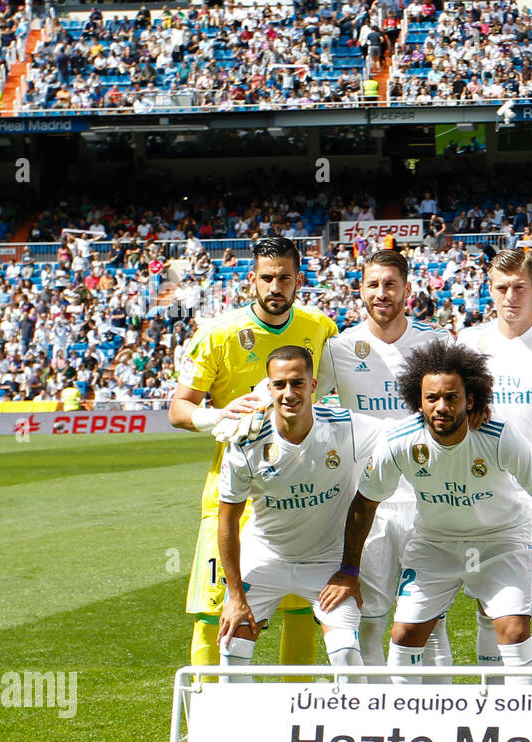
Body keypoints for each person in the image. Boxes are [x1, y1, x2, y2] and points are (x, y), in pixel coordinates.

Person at [329, 340, 532, 685]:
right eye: (432, 398)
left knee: (513, 632)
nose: (441, 407)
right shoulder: (400, 441)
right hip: (435, 544)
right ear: (418, 401)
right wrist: (348, 570)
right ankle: (404, 727)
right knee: (405, 635)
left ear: (470, 400)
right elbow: (365, 503)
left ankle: (527, 726)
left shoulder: (498, 437)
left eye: (451, 397)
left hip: (501, 542)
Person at [170, 236, 338, 677]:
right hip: (232, 493)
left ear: (299, 280)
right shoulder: (218, 333)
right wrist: (217, 416)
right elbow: (179, 408)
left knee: (301, 609)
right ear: (251, 281)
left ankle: (292, 715)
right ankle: (208, 719)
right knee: (215, 611)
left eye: (285, 277)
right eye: (267, 277)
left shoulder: (319, 327)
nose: (275, 286)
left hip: (301, 490)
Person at [315, 249, 453, 680]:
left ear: (407, 290)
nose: (381, 293)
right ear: (360, 289)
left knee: (431, 621)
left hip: (428, 500)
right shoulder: (338, 348)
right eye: (373, 284)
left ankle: (441, 712)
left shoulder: (437, 344)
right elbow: (304, 401)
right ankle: (379, 713)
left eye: (390, 284)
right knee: (372, 616)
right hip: (369, 502)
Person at [217, 346, 378, 682]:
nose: (289, 393)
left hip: (326, 563)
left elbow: (404, 434)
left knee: (347, 654)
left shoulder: (346, 428)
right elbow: (228, 522)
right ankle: (237, 730)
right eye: (280, 385)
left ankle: (358, 731)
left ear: (313, 385)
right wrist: (235, 597)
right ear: (269, 389)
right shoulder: (245, 442)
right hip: (265, 559)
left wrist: (350, 569)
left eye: (297, 383)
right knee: (232, 649)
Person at [458, 249, 532, 682]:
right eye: (501, 287)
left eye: (519, 287)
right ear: (490, 290)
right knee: (490, 604)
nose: (510, 296)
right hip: (485, 494)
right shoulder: (469, 344)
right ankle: (497, 699)